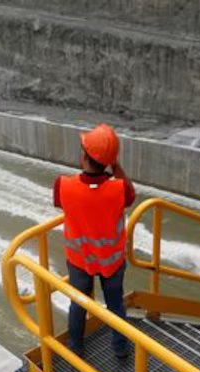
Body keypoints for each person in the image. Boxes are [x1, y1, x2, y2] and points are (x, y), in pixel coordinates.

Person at [56, 123, 137, 359]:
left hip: (79, 260)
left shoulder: (63, 185)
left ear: (84, 157)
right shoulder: (119, 189)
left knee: (78, 304)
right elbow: (130, 194)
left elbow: (68, 199)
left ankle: (75, 347)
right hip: (111, 263)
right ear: (110, 161)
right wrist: (115, 166)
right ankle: (120, 348)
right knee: (115, 305)